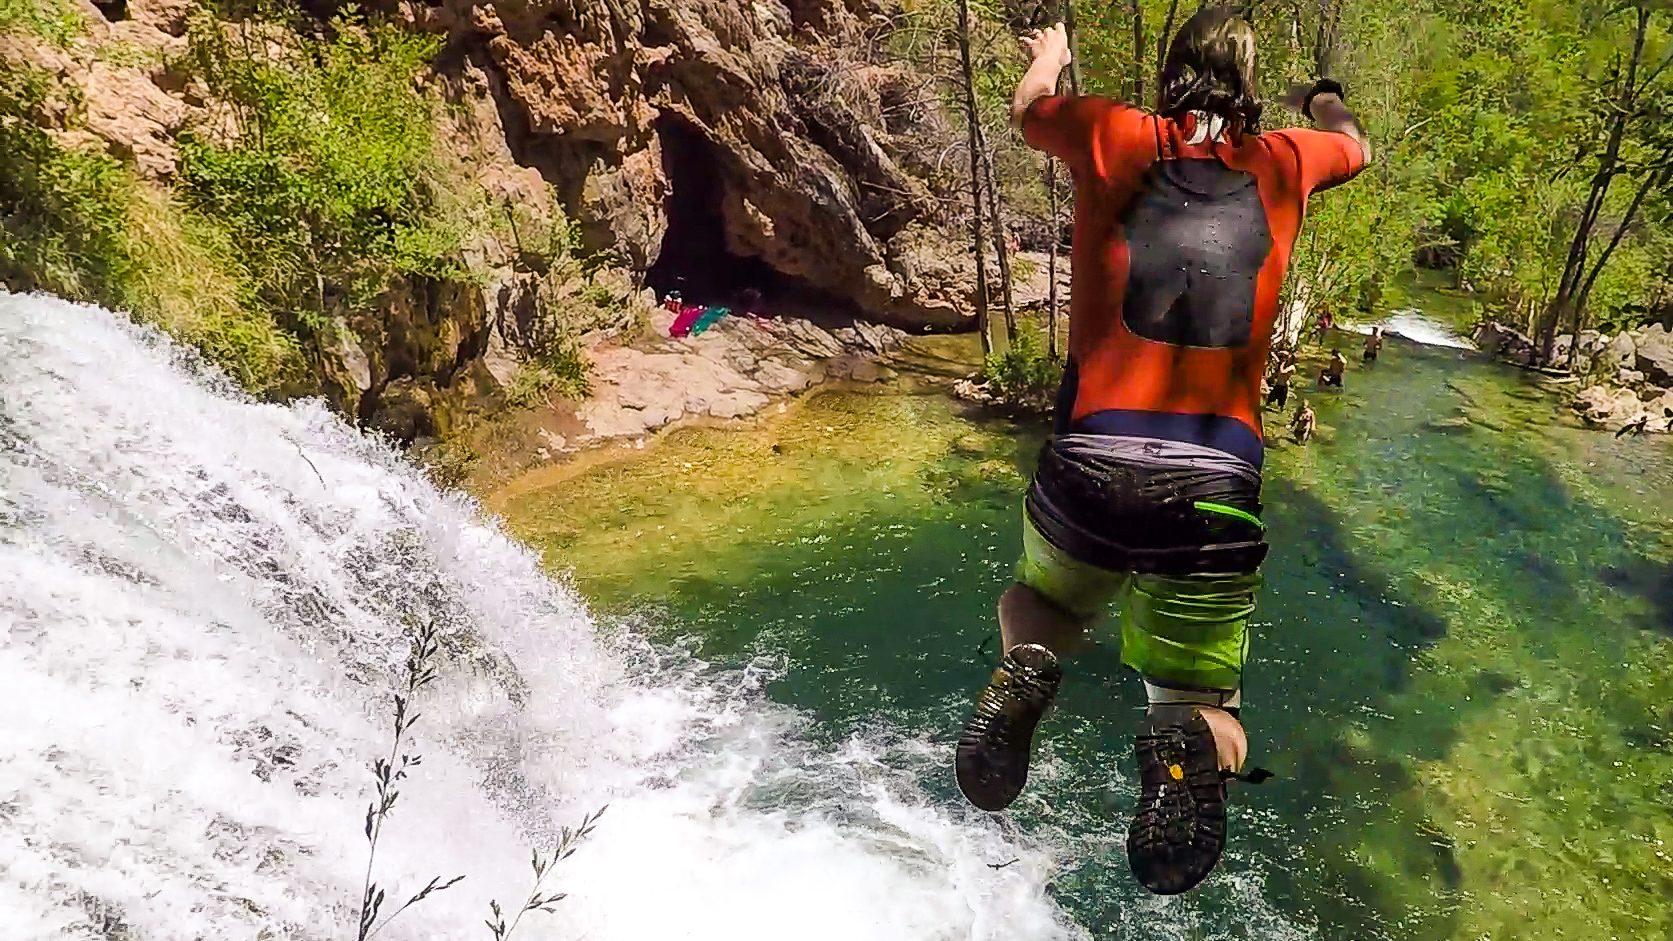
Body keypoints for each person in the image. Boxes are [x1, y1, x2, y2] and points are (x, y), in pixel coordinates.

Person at [953, 6, 1371, 897]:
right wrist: (1326, 99)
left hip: (1090, 463)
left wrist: (1052, 57)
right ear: (1252, 84)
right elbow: (1357, 145)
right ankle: (1181, 741)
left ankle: (1031, 667)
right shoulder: (1289, 157)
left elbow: (1030, 108)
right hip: (1215, 482)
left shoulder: (1110, 133)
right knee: (1203, 710)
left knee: (1035, 604)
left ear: (1170, 71)